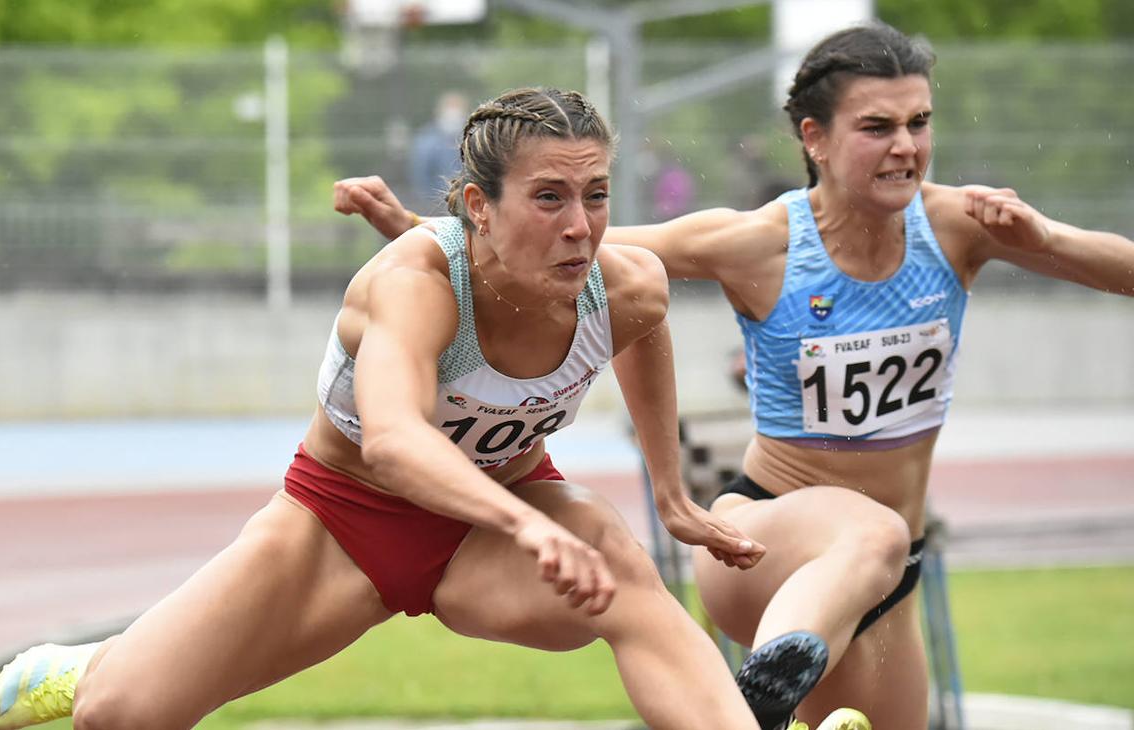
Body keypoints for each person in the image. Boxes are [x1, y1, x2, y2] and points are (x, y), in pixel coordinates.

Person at [0, 86, 869, 730]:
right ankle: (93, 664)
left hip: (496, 523)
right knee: (121, 714)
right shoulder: (410, 283)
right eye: (550, 198)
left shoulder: (623, 284)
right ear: (480, 207)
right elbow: (398, 444)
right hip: (342, 522)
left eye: (596, 196)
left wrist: (670, 496)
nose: (581, 227)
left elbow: (643, 333)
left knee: (621, 574)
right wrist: (525, 530)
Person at [330, 22, 1134, 730]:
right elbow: (565, 249)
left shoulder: (960, 226)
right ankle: (753, 697)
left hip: (888, 564)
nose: (905, 147)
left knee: (885, 615)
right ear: (814, 138)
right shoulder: (758, 242)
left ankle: (761, 700)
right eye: (878, 126)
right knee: (866, 535)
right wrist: (423, 233)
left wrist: (1046, 236)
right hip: (767, 542)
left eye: (920, 124)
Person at [408, 90, 468, 214]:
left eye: (457, 109)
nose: (453, 115)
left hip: (467, 205)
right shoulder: (426, 140)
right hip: (434, 207)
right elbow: (421, 175)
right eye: (450, 109)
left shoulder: (471, 138)